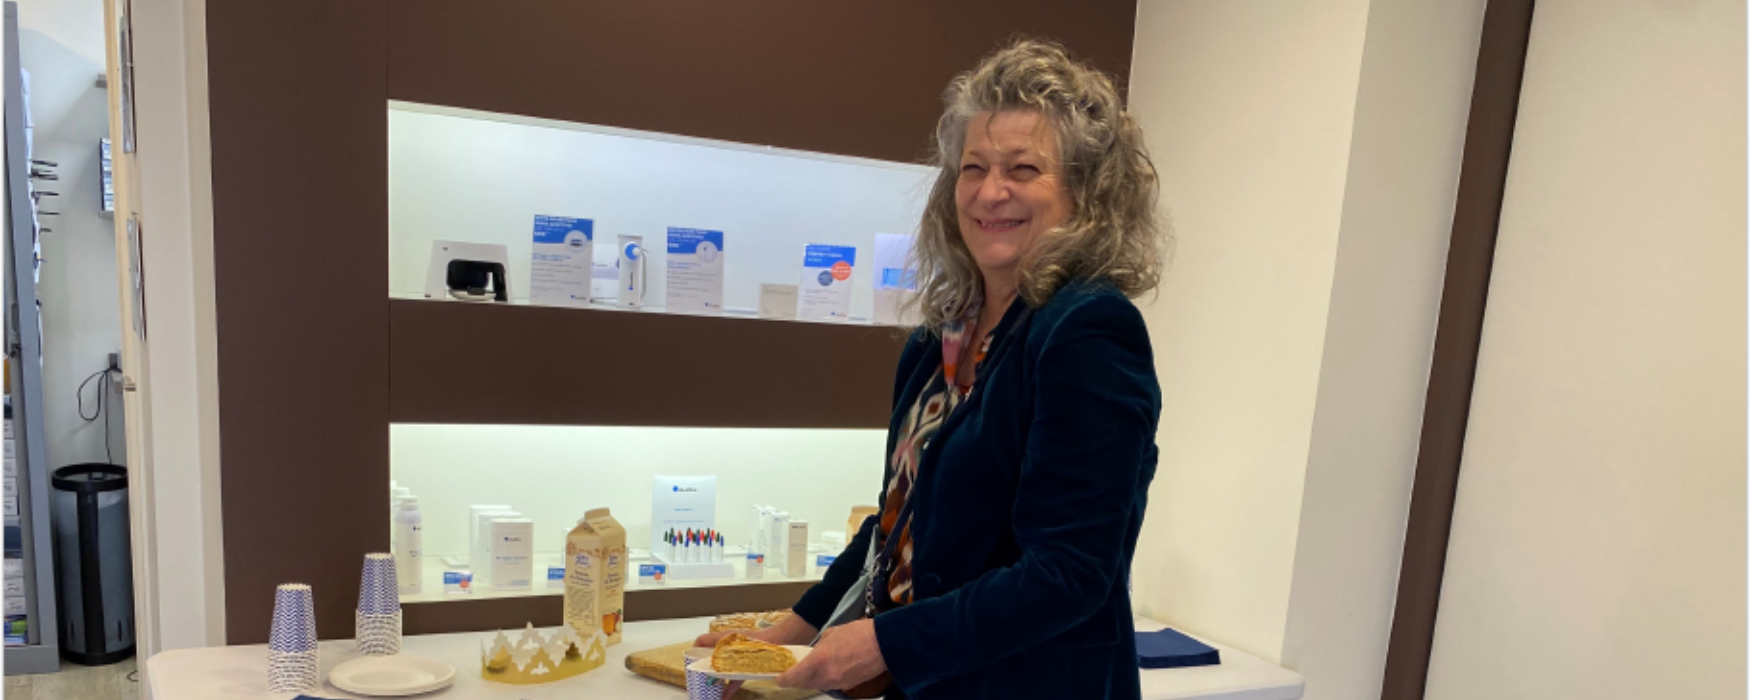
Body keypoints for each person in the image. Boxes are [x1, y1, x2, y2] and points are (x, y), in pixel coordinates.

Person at [697, 38, 1165, 699]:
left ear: (1086, 193)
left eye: (1023, 169)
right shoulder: (940, 340)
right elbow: (896, 525)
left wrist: (886, 642)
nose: (991, 191)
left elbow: (1068, 573)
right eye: (973, 168)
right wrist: (791, 632)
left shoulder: (1088, 330)